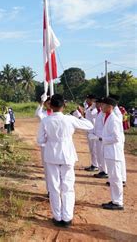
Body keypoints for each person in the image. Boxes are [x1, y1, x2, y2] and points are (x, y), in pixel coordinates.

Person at [37, 94, 93, 228]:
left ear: (50, 106)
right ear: (64, 106)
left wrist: (50, 141)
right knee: (68, 186)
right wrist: (79, 115)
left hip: (51, 155)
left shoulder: (46, 120)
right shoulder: (70, 119)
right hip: (67, 155)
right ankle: (67, 218)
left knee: (54, 187)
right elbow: (90, 125)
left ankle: (57, 216)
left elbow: (40, 141)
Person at [99, 97, 125, 210]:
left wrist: (102, 139)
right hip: (110, 152)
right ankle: (115, 199)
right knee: (113, 178)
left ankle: (118, 202)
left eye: (103, 105)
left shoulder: (114, 119)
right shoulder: (107, 117)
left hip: (114, 152)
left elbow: (116, 137)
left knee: (116, 178)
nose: (101, 106)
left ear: (110, 107)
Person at [91, 98, 108, 179]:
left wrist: (101, 137)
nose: (97, 104)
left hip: (101, 137)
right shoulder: (100, 112)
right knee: (99, 154)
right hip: (97, 136)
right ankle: (101, 170)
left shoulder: (103, 114)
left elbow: (105, 126)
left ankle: (105, 171)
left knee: (102, 154)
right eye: (96, 103)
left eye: (98, 103)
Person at [84, 94, 99, 172]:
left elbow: (92, 115)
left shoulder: (94, 109)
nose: (86, 100)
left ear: (92, 100)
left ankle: (95, 165)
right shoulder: (89, 107)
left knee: (94, 149)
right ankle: (94, 164)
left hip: (93, 131)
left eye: (88, 99)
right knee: (91, 149)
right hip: (89, 130)